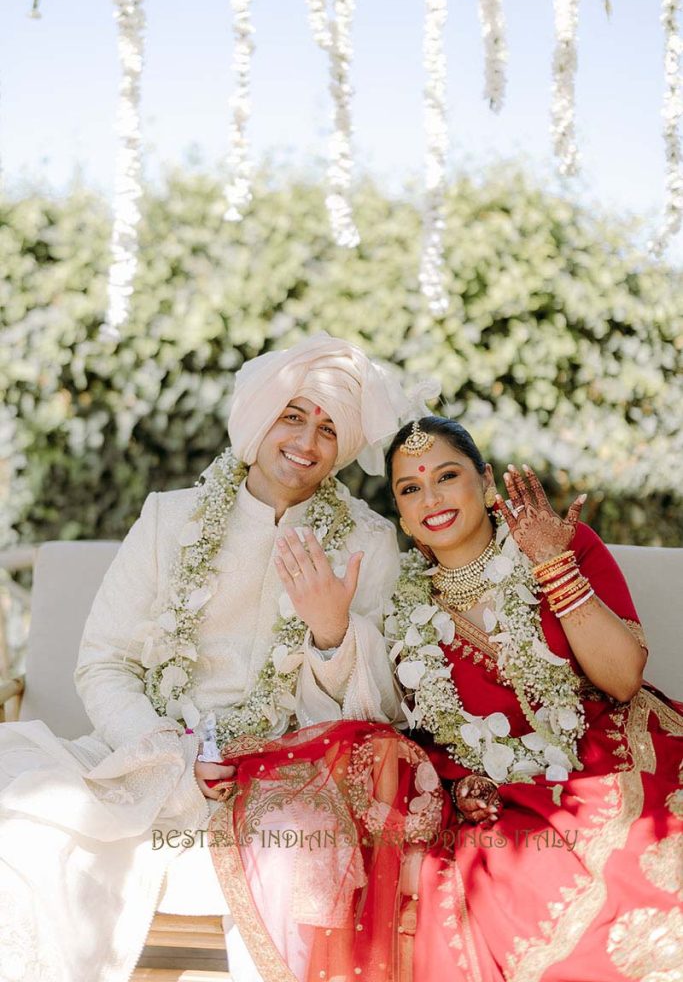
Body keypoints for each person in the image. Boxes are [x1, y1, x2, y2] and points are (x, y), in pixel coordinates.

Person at [0, 332, 418, 982]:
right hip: (152, 752)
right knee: (29, 827)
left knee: (297, 859)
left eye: (330, 429)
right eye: (292, 416)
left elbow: (378, 711)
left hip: (287, 770)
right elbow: (104, 662)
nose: (306, 444)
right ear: (259, 417)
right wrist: (164, 751)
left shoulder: (366, 540)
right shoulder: (171, 518)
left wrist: (334, 634)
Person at [385, 416, 683, 982]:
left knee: (649, 854)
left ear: (487, 480)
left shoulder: (559, 542)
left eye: (447, 476)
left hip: (618, 750)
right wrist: (460, 783)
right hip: (510, 799)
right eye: (410, 488)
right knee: (520, 880)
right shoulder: (401, 613)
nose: (431, 498)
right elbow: (431, 739)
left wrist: (553, 566)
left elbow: (621, 679)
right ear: (401, 514)